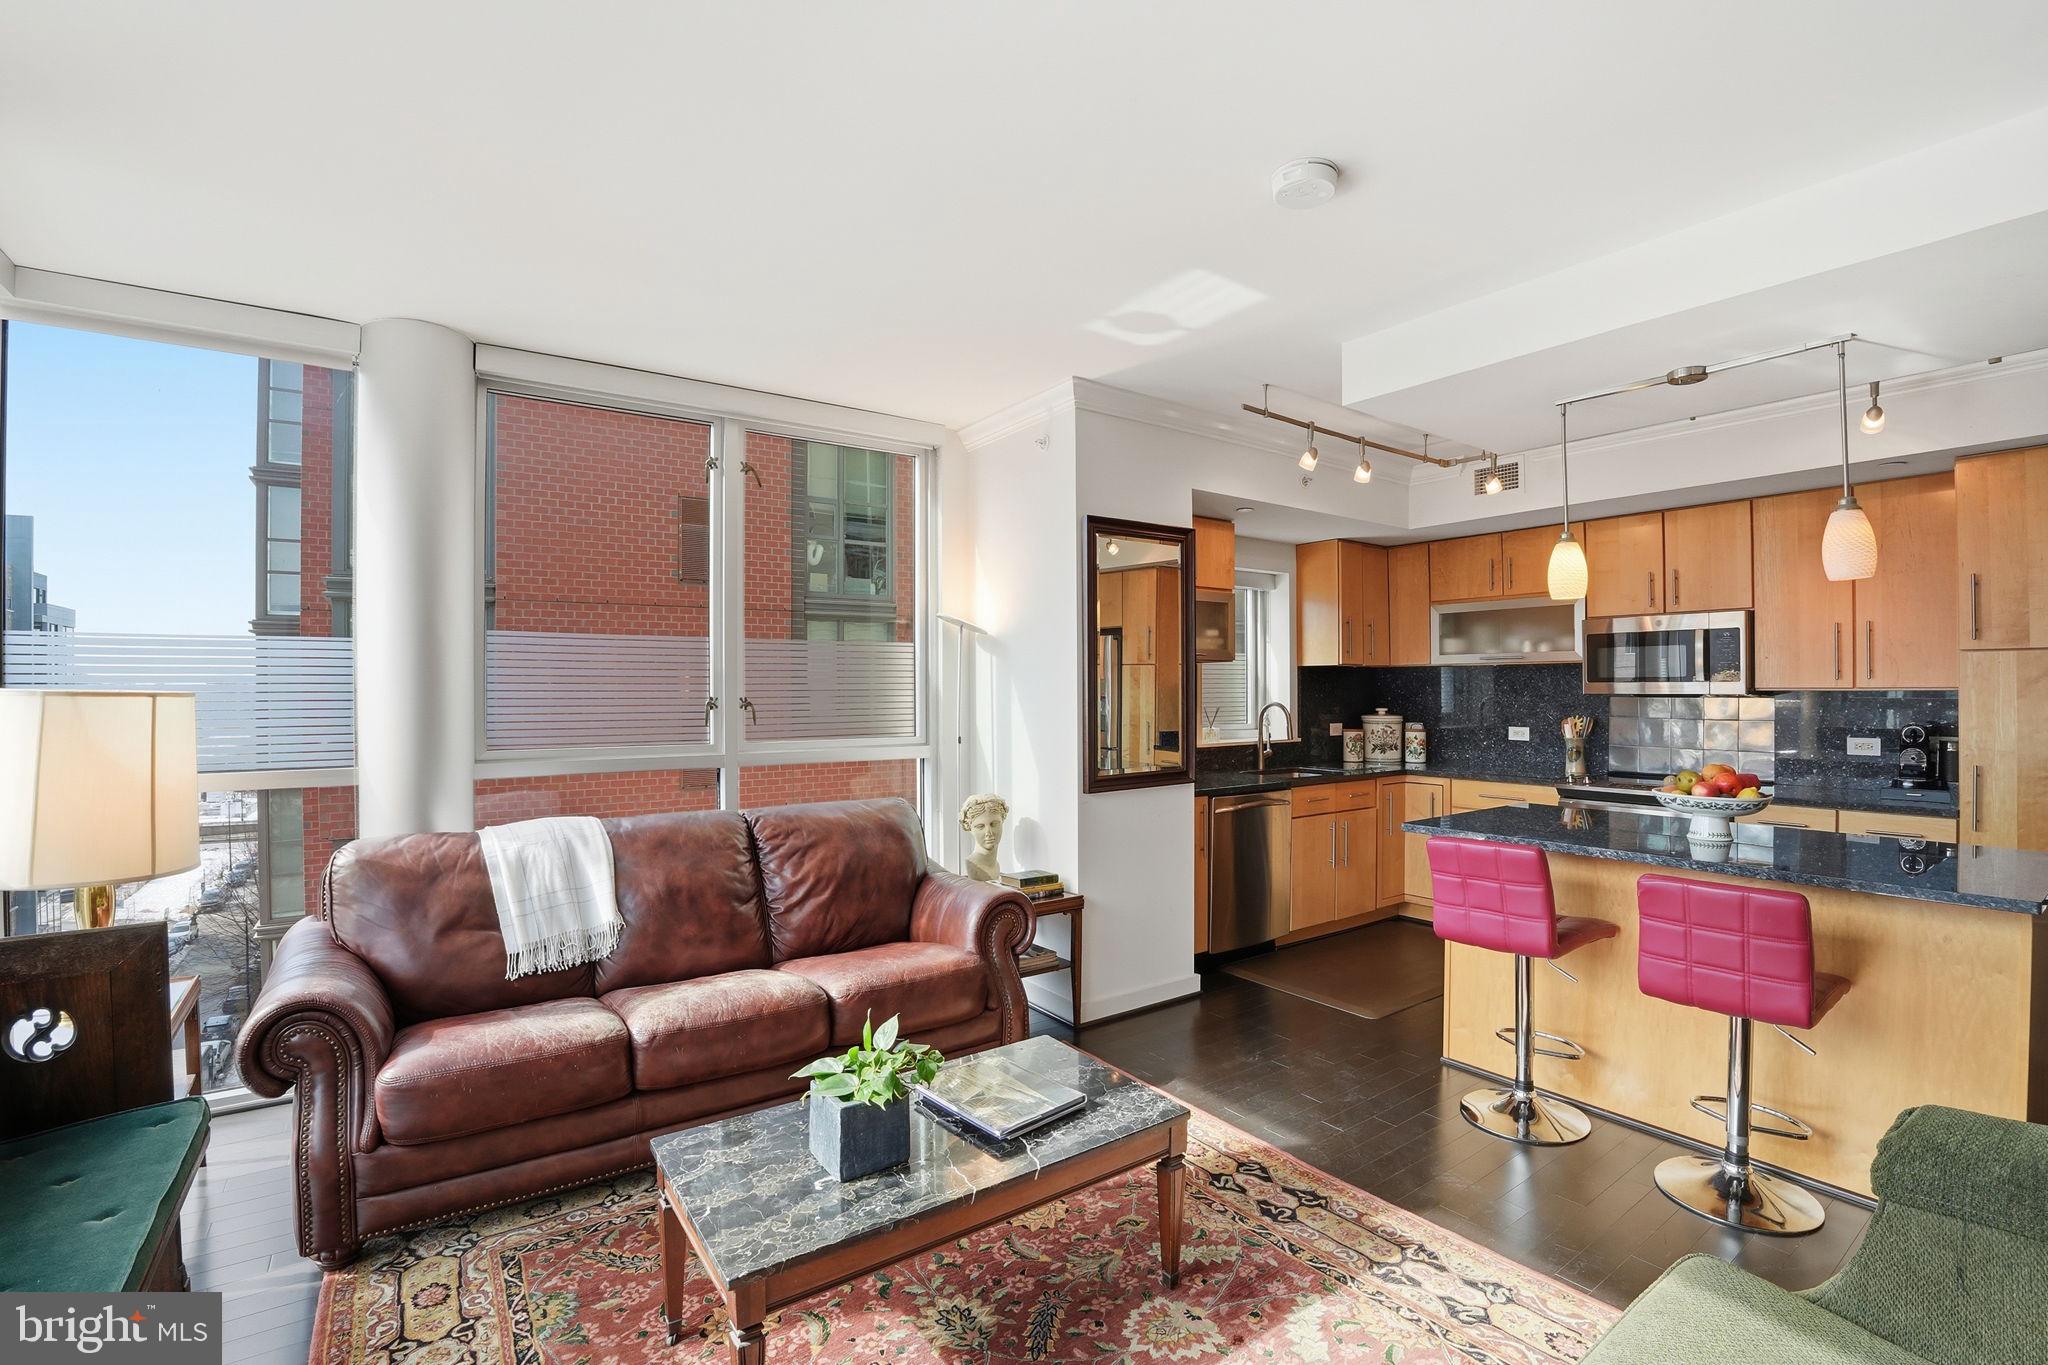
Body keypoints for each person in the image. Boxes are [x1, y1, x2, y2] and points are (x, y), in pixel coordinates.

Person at [958, 792, 1009, 883]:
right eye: (980, 826)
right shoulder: (973, 865)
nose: (989, 832)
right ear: (969, 828)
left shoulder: (996, 865)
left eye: (994, 824)